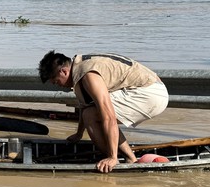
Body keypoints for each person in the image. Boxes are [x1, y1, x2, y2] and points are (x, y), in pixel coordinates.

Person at [38, 51, 168, 173]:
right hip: (151, 89)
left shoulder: (88, 75)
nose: (58, 85)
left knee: (92, 115)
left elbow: (109, 116)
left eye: (56, 81)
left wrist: (112, 156)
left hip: (149, 93)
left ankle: (113, 160)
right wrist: (79, 133)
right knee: (91, 113)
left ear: (63, 71)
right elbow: (85, 105)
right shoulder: (79, 67)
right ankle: (130, 159)